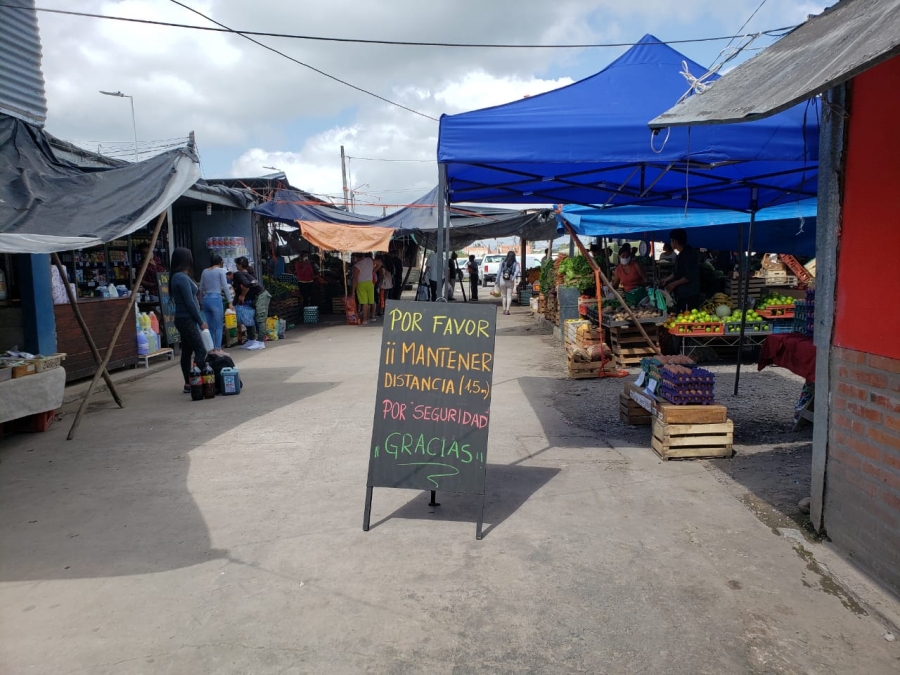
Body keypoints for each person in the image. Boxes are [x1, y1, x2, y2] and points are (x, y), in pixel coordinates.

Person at [169, 247, 208, 393]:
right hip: (187, 319)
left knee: (187, 351)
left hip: (183, 318)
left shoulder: (179, 276)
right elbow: (189, 302)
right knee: (200, 350)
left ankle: (188, 383)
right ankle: (196, 379)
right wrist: (200, 321)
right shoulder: (181, 277)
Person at [198, 254, 233, 350]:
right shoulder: (220, 271)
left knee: (210, 326)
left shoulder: (204, 271)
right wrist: (230, 301)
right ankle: (218, 348)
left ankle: (211, 348)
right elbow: (225, 287)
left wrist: (201, 301)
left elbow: (201, 288)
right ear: (220, 262)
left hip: (206, 299)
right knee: (218, 326)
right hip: (216, 299)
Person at [661, 228, 701, 311]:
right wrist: (666, 279)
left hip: (689, 293)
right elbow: (677, 272)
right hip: (681, 293)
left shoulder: (689, 255)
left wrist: (674, 284)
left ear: (674, 241)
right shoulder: (680, 254)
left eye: (671, 240)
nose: (670, 243)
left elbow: (689, 276)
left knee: (687, 315)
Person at [233, 256, 265, 349]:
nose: (236, 266)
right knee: (249, 318)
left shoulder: (240, 274)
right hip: (252, 298)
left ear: (239, 265)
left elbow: (247, 285)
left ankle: (260, 342)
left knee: (259, 319)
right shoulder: (249, 273)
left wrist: (242, 295)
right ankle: (251, 340)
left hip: (259, 296)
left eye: (237, 264)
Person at [352, 251, 375, 325]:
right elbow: (379, 263)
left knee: (364, 302)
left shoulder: (357, 265)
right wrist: (373, 271)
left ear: (356, 257)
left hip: (361, 284)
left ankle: (364, 319)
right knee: (369, 302)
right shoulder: (369, 260)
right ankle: (367, 318)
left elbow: (355, 278)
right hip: (370, 283)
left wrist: (353, 291)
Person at [497, 250, 519, 315]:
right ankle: (507, 310)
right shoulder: (515, 263)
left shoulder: (503, 262)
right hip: (510, 280)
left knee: (504, 296)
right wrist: (513, 278)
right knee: (509, 296)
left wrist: (497, 280)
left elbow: (499, 271)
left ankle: (503, 310)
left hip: (502, 279)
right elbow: (517, 271)